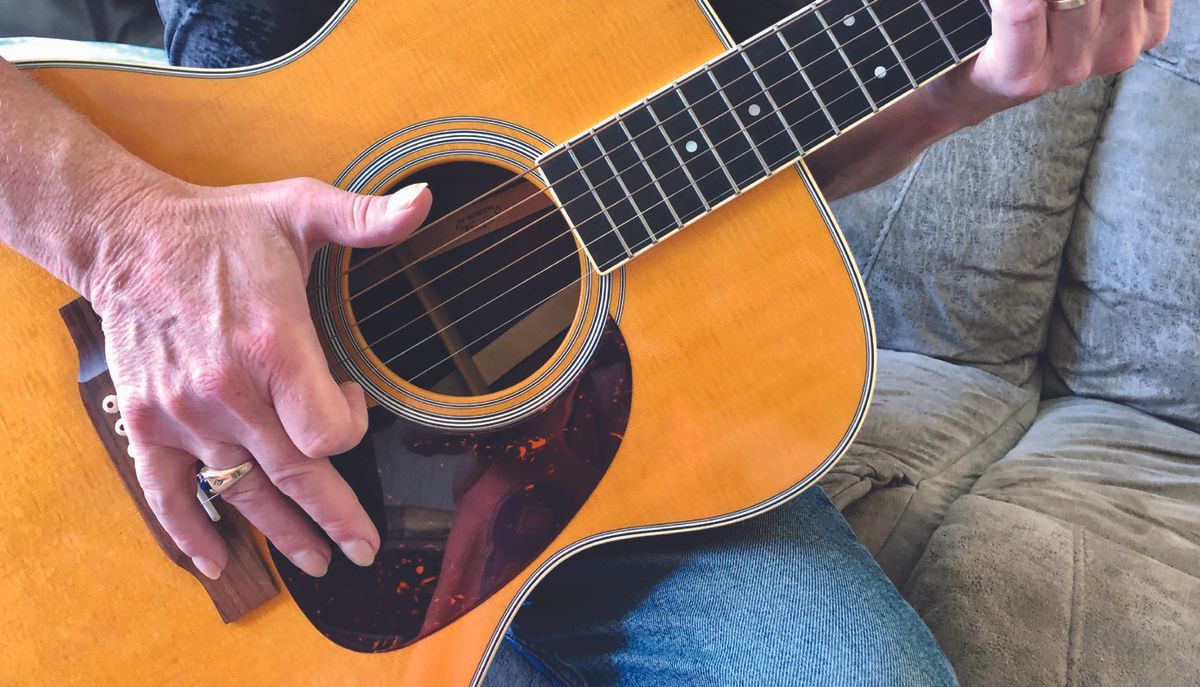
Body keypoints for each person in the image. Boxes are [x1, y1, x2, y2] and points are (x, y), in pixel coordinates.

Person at [0, 0, 1171, 684]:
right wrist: (125, 239)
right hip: (193, 393)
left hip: (633, 453)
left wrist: (951, 92)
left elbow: (748, 127)